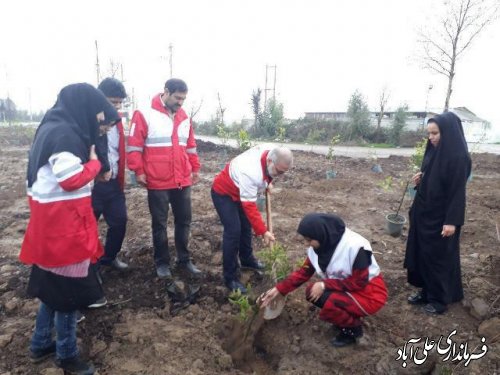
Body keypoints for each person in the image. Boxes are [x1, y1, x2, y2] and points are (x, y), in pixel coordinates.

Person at [19, 83, 119, 374]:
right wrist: (93, 164)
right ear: (85, 107)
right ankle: (67, 355)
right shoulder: (64, 134)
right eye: (99, 117)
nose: (100, 125)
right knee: (67, 298)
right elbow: (69, 178)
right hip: (63, 231)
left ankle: (39, 344)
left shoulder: (54, 127)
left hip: (54, 226)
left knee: (53, 291)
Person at [260, 213, 388, 347]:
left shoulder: (355, 247)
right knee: (311, 292)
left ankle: (353, 331)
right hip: (348, 289)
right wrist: (279, 289)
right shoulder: (319, 247)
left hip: (370, 293)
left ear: (321, 235)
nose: (307, 244)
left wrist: (324, 285)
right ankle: (347, 317)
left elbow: (359, 282)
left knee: (332, 302)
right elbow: (304, 272)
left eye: (309, 240)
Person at [127, 78, 201, 279]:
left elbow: (190, 146)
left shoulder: (184, 116)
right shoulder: (144, 113)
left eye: (184, 99)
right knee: (159, 223)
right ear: (166, 92)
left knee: (184, 221)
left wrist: (194, 168)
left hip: (182, 179)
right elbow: (134, 146)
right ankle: (162, 263)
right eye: (177, 97)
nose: (180, 102)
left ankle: (184, 260)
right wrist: (138, 170)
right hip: (157, 180)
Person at [404, 112, 471, 315]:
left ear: (448, 133)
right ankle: (426, 292)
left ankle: (440, 299)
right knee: (423, 254)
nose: (431, 138)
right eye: (429, 133)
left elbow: (457, 191)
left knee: (438, 258)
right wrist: (420, 180)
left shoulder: (458, 157)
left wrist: (451, 221)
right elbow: (434, 180)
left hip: (442, 218)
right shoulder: (434, 151)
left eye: (435, 133)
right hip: (424, 213)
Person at [211, 144, 293, 293]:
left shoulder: (270, 153)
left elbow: (268, 174)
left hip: (241, 190)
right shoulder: (250, 171)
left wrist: (268, 182)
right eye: (278, 171)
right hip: (224, 193)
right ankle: (230, 278)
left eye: (283, 173)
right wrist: (263, 231)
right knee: (233, 231)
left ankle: (247, 260)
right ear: (270, 161)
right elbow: (249, 206)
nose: (279, 175)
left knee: (246, 227)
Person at [91, 78, 129, 272]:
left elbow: (118, 151)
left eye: (119, 103)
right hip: (92, 185)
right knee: (88, 227)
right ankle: (91, 266)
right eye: (113, 102)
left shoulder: (118, 123)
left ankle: (109, 258)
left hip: (113, 183)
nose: (116, 107)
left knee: (119, 222)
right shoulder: (89, 122)